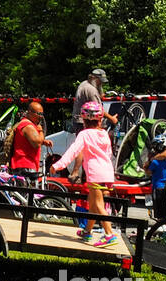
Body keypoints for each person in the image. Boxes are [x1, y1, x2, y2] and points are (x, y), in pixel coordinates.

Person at [50, 100, 118, 247]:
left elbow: (73, 151)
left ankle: (109, 234)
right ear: (100, 119)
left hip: (95, 173)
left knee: (98, 204)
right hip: (107, 171)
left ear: (84, 119)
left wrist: (58, 165)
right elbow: (109, 153)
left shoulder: (84, 134)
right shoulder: (104, 134)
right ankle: (87, 231)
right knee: (92, 202)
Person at [5, 101, 50, 175]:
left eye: (42, 114)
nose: (41, 116)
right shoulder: (28, 126)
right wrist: (40, 130)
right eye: (39, 114)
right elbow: (37, 143)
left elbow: (29, 141)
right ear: (30, 112)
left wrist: (43, 142)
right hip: (25, 166)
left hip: (24, 166)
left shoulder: (26, 124)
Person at [71, 69, 117, 134]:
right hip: (85, 123)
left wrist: (102, 95)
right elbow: (98, 109)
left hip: (80, 121)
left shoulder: (84, 84)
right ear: (94, 78)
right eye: (100, 81)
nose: (101, 83)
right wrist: (112, 119)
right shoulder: (91, 90)